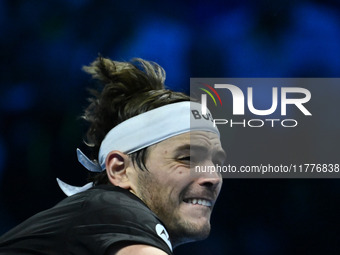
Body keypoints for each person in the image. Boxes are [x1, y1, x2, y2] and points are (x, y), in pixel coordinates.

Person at [0, 56, 225, 254]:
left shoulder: (99, 216)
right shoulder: (116, 210)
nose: (213, 177)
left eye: (217, 162)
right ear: (120, 170)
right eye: (186, 158)